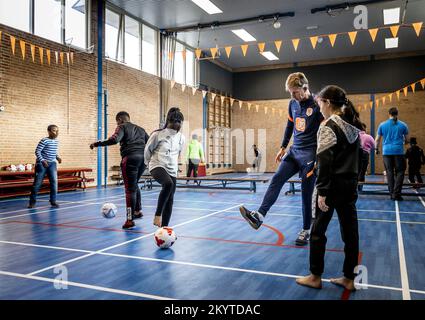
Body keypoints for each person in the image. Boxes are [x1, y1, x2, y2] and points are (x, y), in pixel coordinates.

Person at [239, 72, 324, 246]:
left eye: (295, 92)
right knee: (277, 178)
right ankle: (259, 216)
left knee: (306, 195)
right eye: (290, 92)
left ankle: (306, 230)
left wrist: (319, 158)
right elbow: (290, 126)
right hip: (294, 151)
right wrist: (282, 147)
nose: (292, 96)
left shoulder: (317, 104)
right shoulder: (292, 103)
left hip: (310, 154)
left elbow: (324, 132)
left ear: (305, 88)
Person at [296, 85, 362, 291]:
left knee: (317, 232)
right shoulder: (352, 124)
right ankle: (349, 278)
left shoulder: (328, 126)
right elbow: (360, 157)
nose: (319, 108)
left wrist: (322, 191)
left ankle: (315, 276)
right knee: (350, 233)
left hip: (331, 186)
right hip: (350, 185)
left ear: (327, 103)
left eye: (320, 103)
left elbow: (324, 160)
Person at [90, 111, 149, 229]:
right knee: (134, 185)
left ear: (120, 120)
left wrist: (97, 144)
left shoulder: (121, 126)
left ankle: (129, 220)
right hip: (143, 160)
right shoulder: (141, 129)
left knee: (129, 190)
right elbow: (149, 144)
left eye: (117, 122)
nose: (117, 124)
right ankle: (137, 211)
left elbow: (115, 140)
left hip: (130, 159)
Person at [145, 107, 185, 227]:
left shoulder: (181, 138)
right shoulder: (157, 134)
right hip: (157, 165)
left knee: (170, 198)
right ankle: (157, 215)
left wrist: (176, 167)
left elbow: (177, 154)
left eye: (179, 123)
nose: (176, 125)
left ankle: (165, 227)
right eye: (174, 123)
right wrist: (147, 164)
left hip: (172, 169)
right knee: (168, 184)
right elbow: (148, 150)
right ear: (168, 122)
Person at [375, 107, 409, 201]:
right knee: (400, 172)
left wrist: (376, 149)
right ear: (397, 114)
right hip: (398, 151)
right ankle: (396, 194)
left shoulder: (382, 124)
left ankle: (392, 194)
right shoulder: (403, 125)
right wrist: (403, 142)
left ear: (388, 114)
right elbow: (407, 140)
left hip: (386, 152)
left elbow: (377, 139)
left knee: (389, 173)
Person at [28, 125, 62, 208]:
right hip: (42, 164)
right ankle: (32, 202)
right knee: (37, 183)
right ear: (49, 131)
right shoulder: (44, 140)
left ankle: (53, 201)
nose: (56, 132)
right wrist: (43, 160)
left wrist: (57, 157)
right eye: (54, 130)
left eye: (57, 131)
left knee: (54, 183)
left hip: (52, 164)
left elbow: (53, 151)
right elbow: (37, 151)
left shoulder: (56, 141)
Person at [358, 123, 375, 191]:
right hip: (365, 154)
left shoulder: (356, 136)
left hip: (357, 154)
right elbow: (374, 146)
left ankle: (355, 188)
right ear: (365, 129)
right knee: (362, 171)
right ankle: (360, 188)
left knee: (356, 170)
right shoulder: (368, 137)